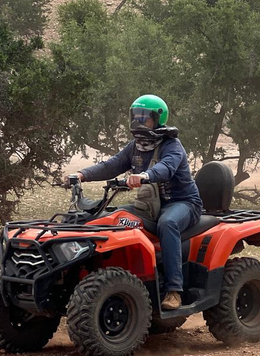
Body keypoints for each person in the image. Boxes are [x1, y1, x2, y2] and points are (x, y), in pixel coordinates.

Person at [67, 94, 202, 310]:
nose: (138, 122)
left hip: (183, 203)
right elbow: (112, 165)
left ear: (158, 119)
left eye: (144, 118)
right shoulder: (136, 146)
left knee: (168, 224)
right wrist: (82, 174)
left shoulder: (172, 145)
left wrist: (145, 176)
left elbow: (166, 167)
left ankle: (174, 290)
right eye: (135, 117)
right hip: (150, 206)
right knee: (114, 218)